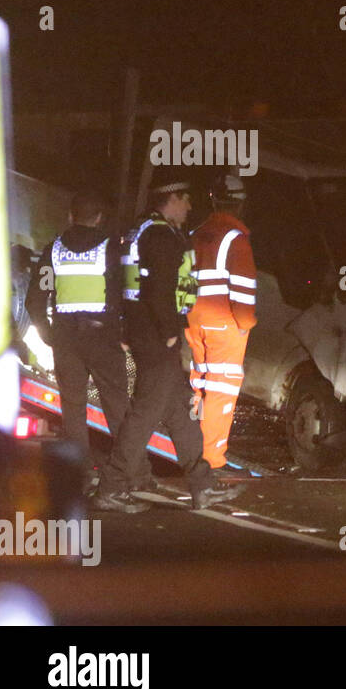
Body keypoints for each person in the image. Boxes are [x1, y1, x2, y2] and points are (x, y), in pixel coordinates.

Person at [93, 178, 246, 513]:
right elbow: (159, 289)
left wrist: (126, 326)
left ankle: (202, 485)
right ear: (171, 199)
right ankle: (112, 487)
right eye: (185, 200)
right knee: (144, 415)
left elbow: (125, 283)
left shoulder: (142, 230)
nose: (190, 207)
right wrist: (169, 332)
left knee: (180, 413)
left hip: (143, 331)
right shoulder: (161, 236)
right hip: (156, 336)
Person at [24, 191, 129, 489]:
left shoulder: (53, 250)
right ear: (99, 219)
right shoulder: (111, 250)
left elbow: (35, 301)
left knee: (73, 409)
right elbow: (123, 294)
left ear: (70, 215)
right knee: (117, 406)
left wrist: (49, 335)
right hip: (103, 337)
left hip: (66, 340)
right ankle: (130, 473)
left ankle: (81, 476)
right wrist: (124, 334)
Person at [186, 175, 257, 471]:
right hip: (223, 321)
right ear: (240, 203)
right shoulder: (235, 239)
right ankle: (211, 458)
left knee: (200, 383)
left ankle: (192, 445)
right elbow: (242, 286)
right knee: (222, 388)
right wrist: (244, 322)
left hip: (194, 318)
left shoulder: (197, 233)